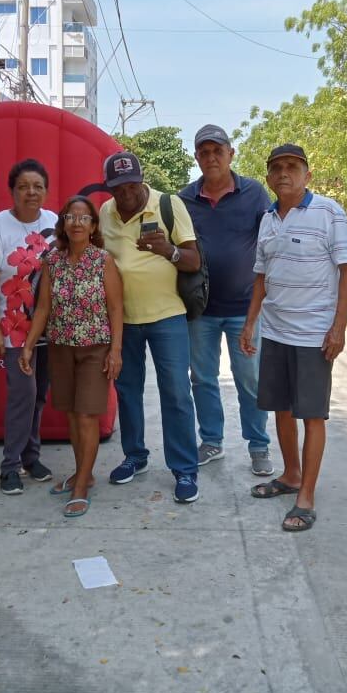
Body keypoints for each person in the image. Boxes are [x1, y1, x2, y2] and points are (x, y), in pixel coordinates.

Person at [238, 144, 347, 532]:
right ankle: (290, 475)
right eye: (276, 168)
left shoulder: (328, 212)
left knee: (312, 415)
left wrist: (339, 327)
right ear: (269, 177)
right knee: (281, 409)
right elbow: (261, 276)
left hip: (314, 336)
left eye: (292, 167)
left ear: (307, 174)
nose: (283, 174)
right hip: (276, 332)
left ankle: (306, 495)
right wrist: (250, 323)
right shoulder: (268, 219)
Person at [98, 151, 203, 503]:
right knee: (127, 391)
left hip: (167, 315)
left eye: (131, 184)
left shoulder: (169, 204)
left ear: (142, 179)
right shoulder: (105, 212)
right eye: (117, 187)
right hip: (123, 319)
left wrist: (168, 251)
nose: (125, 193)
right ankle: (135, 456)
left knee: (175, 393)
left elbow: (194, 259)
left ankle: (185, 469)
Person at [178, 125, 273, 475]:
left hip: (244, 309)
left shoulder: (254, 193)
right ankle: (212, 441)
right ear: (197, 158)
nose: (211, 157)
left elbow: (269, 242)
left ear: (231, 154)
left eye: (218, 150)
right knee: (202, 378)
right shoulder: (184, 199)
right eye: (204, 152)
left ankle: (259, 445)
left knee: (249, 378)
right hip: (200, 310)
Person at [20, 196, 124, 516]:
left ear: (93, 226)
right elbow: (43, 308)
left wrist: (116, 351)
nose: (77, 223)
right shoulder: (53, 261)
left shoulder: (103, 260)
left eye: (84, 218)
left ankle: (80, 486)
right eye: (71, 217)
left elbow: (116, 308)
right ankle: (85, 473)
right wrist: (28, 344)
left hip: (95, 348)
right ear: (63, 224)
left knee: (86, 416)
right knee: (70, 414)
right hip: (61, 347)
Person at [0, 159, 58, 494]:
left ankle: (31, 456)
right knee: (22, 396)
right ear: (12, 190)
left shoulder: (54, 222)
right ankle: (10, 466)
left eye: (38, 186)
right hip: (14, 325)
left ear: (46, 190)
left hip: (48, 325)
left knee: (39, 395)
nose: (31, 192)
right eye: (24, 186)